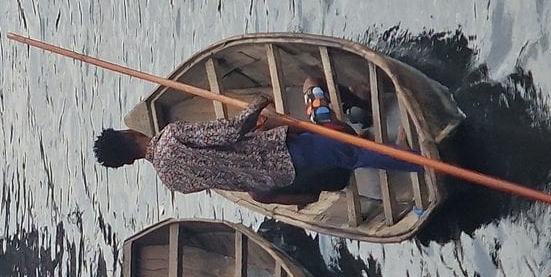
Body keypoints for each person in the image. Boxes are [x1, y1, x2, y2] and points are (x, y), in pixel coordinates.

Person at [93, 93, 425, 204]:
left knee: (344, 156)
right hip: (277, 153)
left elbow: (216, 173)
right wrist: (257, 106)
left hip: (274, 181)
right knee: (348, 152)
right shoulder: (170, 136)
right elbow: (229, 131)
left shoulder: (171, 182)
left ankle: (401, 155)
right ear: (127, 136)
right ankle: (417, 162)